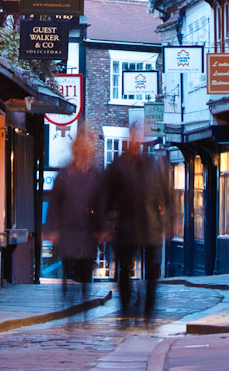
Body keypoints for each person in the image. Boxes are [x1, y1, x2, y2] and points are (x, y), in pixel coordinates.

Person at [104, 121, 173, 322]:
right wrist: (107, 224)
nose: (136, 141)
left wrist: (169, 221)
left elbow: (167, 195)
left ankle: (148, 312)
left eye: (139, 137)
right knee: (124, 271)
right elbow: (106, 197)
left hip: (150, 227)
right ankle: (126, 310)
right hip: (125, 227)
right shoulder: (118, 166)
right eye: (134, 137)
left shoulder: (152, 166)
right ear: (129, 138)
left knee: (152, 273)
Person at [45, 125, 104, 306]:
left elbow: (101, 204)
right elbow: (55, 203)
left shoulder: (96, 174)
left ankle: (82, 308)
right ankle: (69, 306)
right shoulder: (65, 175)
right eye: (80, 146)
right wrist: (53, 230)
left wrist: (101, 229)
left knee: (85, 272)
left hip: (87, 232)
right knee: (69, 270)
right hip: (68, 231)